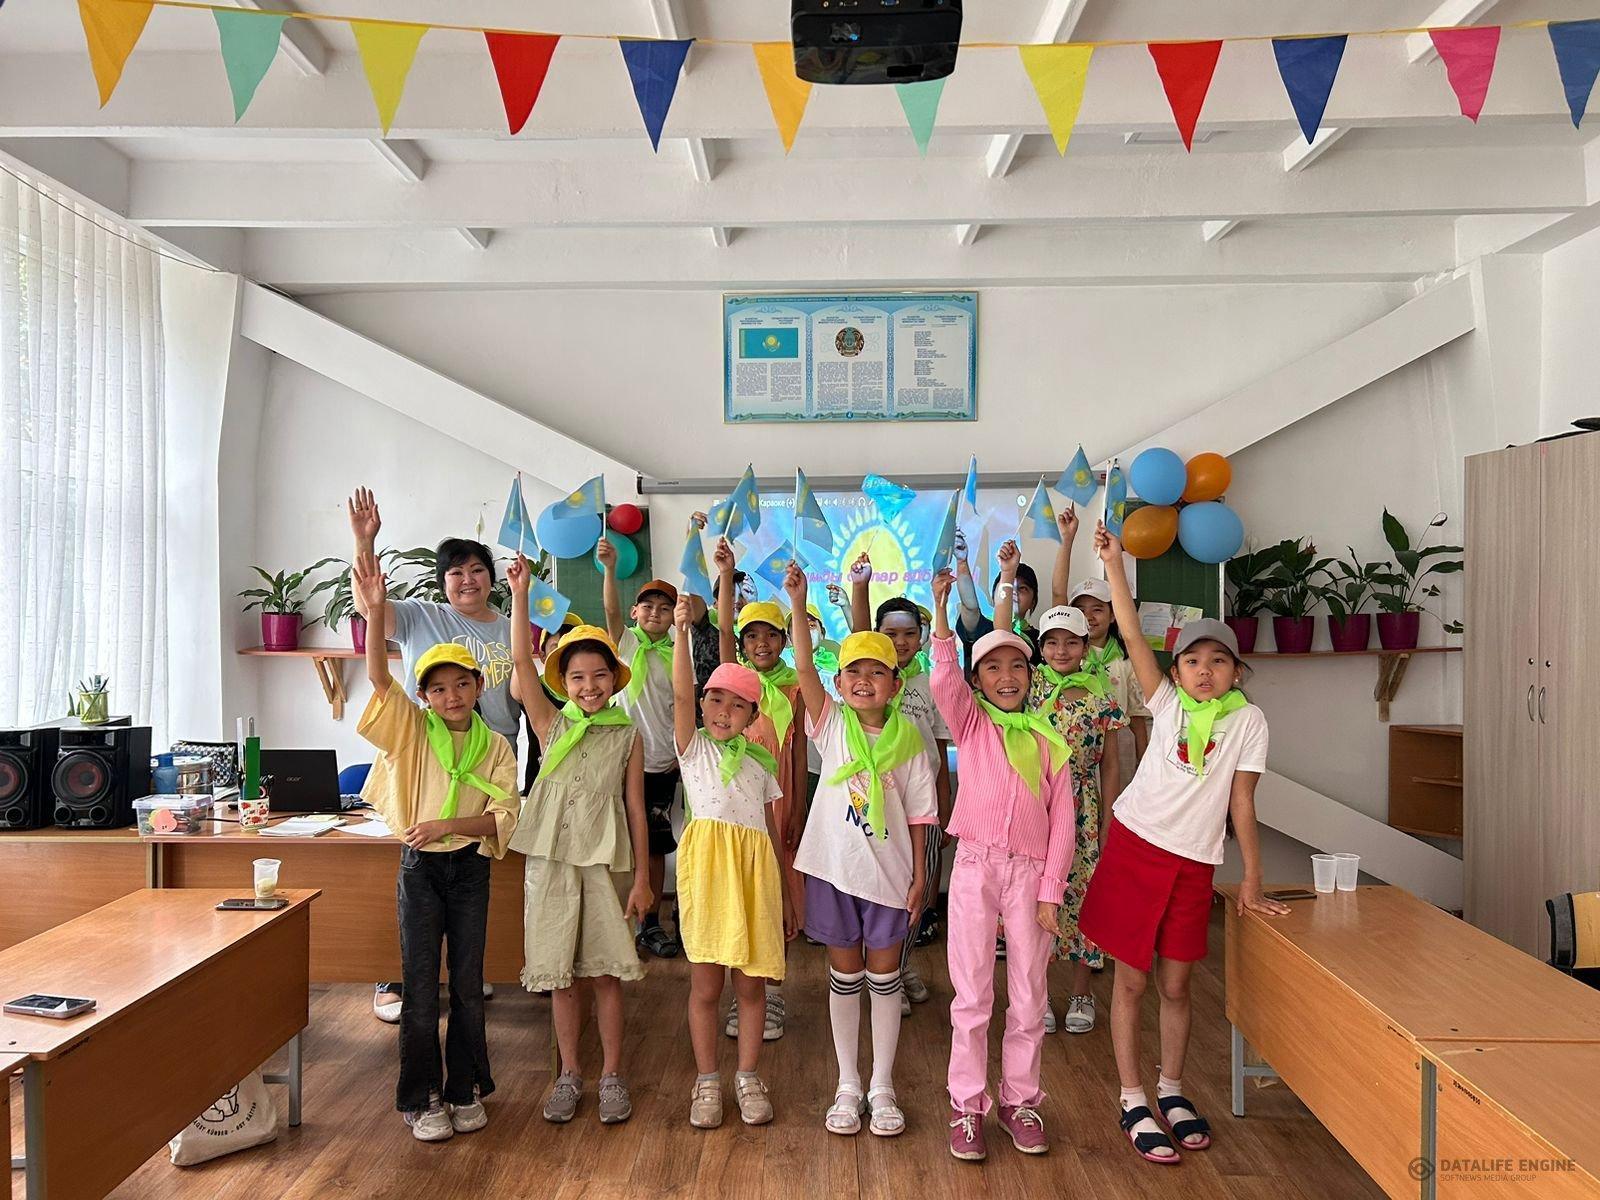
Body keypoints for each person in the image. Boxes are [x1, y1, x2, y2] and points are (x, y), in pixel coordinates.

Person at [1077, 522, 1287, 1166]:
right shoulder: (1165, 703)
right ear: (1177, 669)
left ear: (1237, 671)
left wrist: (1251, 878)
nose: (1204, 670)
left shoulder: (1249, 721)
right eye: (1193, 660)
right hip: (1136, 848)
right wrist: (1115, 565)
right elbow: (1129, 629)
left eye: (1218, 661)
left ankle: (1171, 1089)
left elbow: (1242, 802)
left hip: (1195, 862)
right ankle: (1132, 1097)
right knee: (1131, 982)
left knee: (1176, 985)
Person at [351, 551, 519, 1143]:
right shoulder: (412, 731)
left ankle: (465, 1088)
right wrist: (376, 612)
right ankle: (420, 1097)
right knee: (420, 989)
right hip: (420, 872)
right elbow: (379, 679)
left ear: (479, 686)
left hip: (469, 871)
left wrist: (450, 826)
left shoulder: (496, 746)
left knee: (469, 987)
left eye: (463, 684)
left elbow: (503, 817)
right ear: (424, 695)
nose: (453, 696)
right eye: (439, 688)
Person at [347, 486, 517, 1023]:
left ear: (491, 578)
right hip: (426, 752)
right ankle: (397, 975)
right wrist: (364, 541)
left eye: (477, 570)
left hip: (490, 753)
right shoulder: (423, 616)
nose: (467, 580)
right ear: (443, 582)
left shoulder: (510, 628)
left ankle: (469, 969)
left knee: (477, 862)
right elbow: (369, 605)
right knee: (416, 868)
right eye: (456, 572)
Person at [786, 561, 937, 1139]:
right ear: (841, 682)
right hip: (834, 873)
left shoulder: (910, 742)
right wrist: (798, 603)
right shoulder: (831, 725)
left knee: (885, 980)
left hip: (891, 880)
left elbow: (921, 816)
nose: (865, 680)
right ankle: (848, 1084)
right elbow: (804, 666)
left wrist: (921, 877)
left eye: (878, 671)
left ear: (897, 683)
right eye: (854, 671)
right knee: (844, 977)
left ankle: (883, 1085)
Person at [929, 567, 1074, 1163]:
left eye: (1018, 666)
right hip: (975, 866)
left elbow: (1063, 821)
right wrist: (941, 615)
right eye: (992, 667)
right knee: (971, 994)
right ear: (977, 681)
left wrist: (1051, 890)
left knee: (1030, 996)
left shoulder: (1049, 740)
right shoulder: (972, 724)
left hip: (1031, 875)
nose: (1007, 676)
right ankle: (967, 1106)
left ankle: (1020, 1100)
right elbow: (943, 679)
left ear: (1032, 677)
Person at [506, 556, 652, 1126]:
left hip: (606, 862)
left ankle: (612, 1074)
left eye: (598, 676)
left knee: (606, 974)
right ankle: (569, 1073)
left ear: (614, 679)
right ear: (562, 684)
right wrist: (520, 594)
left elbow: (636, 809)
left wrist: (643, 879)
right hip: (549, 864)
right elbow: (522, 661)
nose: (589, 686)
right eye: (576, 678)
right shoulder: (551, 724)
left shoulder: (628, 735)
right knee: (561, 978)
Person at [670, 594, 795, 1128]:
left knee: (751, 986)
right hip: (708, 875)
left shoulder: (762, 764)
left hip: (754, 877)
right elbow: (679, 693)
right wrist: (680, 633)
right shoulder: (694, 748)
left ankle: (747, 1076)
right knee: (705, 987)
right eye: (715, 700)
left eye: (736, 704)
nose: (723, 711)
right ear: (702, 705)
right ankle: (706, 1080)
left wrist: (787, 895)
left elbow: (769, 833)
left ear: (752, 715)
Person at [996, 539, 1125, 1036]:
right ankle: (1039, 994)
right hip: (1036, 807)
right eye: (1052, 643)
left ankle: (1081, 992)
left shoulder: (1101, 695)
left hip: (1084, 808)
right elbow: (1001, 636)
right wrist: (1007, 576)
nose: (1061, 651)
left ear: (1086, 646)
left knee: (1082, 895)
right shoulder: (1028, 690)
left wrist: (1108, 818)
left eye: (1071, 642)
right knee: (1034, 896)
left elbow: (1109, 763)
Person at [848, 553, 953, 1016]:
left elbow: (940, 753)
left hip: (920, 805)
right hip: (875, 804)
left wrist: (946, 808)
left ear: (922, 636)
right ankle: (879, 971)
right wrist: (860, 586)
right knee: (879, 888)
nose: (901, 641)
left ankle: (899, 963)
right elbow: (858, 637)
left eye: (909, 633)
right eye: (890, 634)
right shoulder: (871, 678)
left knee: (918, 889)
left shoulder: (932, 683)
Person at [714, 537, 808, 1041]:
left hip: (782, 802)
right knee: (741, 891)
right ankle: (743, 991)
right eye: (752, 637)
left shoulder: (795, 688)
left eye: (771, 635)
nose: (762, 644)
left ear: (784, 640)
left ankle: (770, 990)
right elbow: (722, 633)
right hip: (738, 808)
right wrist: (727, 576)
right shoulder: (735, 684)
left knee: (778, 890)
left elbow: (799, 752)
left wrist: (801, 810)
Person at [599, 539, 684, 961]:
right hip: (621, 763)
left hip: (662, 764)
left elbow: (681, 705)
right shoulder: (626, 644)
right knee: (618, 844)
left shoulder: (677, 651)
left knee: (653, 844)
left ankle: (650, 923)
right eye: (647, 606)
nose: (655, 613)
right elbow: (610, 611)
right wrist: (610, 569)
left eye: (664, 608)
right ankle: (615, 923)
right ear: (635, 612)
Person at [952, 528, 1042, 676]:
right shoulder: (984, 628)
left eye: (1023, 588)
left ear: (1033, 601)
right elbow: (970, 607)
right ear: (994, 597)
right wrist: (962, 562)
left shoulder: (1043, 639)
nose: (1013, 592)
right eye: (1008, 587)